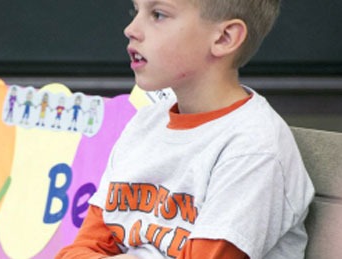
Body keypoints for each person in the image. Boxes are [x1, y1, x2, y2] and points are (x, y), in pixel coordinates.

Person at [56, 0, 314, 258]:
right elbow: (81, 249)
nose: (131, 29)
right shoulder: (144, 124)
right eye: (136, 11)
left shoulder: (254, 148)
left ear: (224, 38)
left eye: (158, 15)